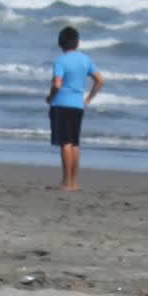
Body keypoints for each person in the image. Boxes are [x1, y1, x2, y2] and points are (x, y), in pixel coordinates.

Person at [47, 25, 103, 191]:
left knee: (65, 143)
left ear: (60, 44)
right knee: (75, 143)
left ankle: (66, 182)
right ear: (77, 43)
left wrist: (50, 98)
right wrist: (89, 98)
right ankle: (74, 182)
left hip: (62, 104)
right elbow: (100, 80)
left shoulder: (60, 61)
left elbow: (57, 84)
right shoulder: (86, 59)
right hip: (78, 106)